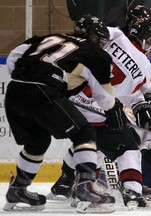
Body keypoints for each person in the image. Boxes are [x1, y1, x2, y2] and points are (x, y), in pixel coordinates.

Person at [3, 16, 128, 213]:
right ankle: (86, 185)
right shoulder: (96, 54)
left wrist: (34, 79)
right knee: (84, 133)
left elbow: (13, 57)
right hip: (43, 91)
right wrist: (113, 110)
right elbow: (103, 96)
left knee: (37, 142)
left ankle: (18, 189)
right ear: (96, 38)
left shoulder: (50, 37)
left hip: (15, 91)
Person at [47, 6, 151, 209]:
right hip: (100, 107)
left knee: (92, 142)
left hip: (72, 98)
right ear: (146, 36)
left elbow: (91, 31)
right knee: (128, 144)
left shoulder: (116, 34)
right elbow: (133, 92)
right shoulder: (145, 66)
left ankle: (66, 182)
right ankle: (131, 191)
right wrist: (145, 104)